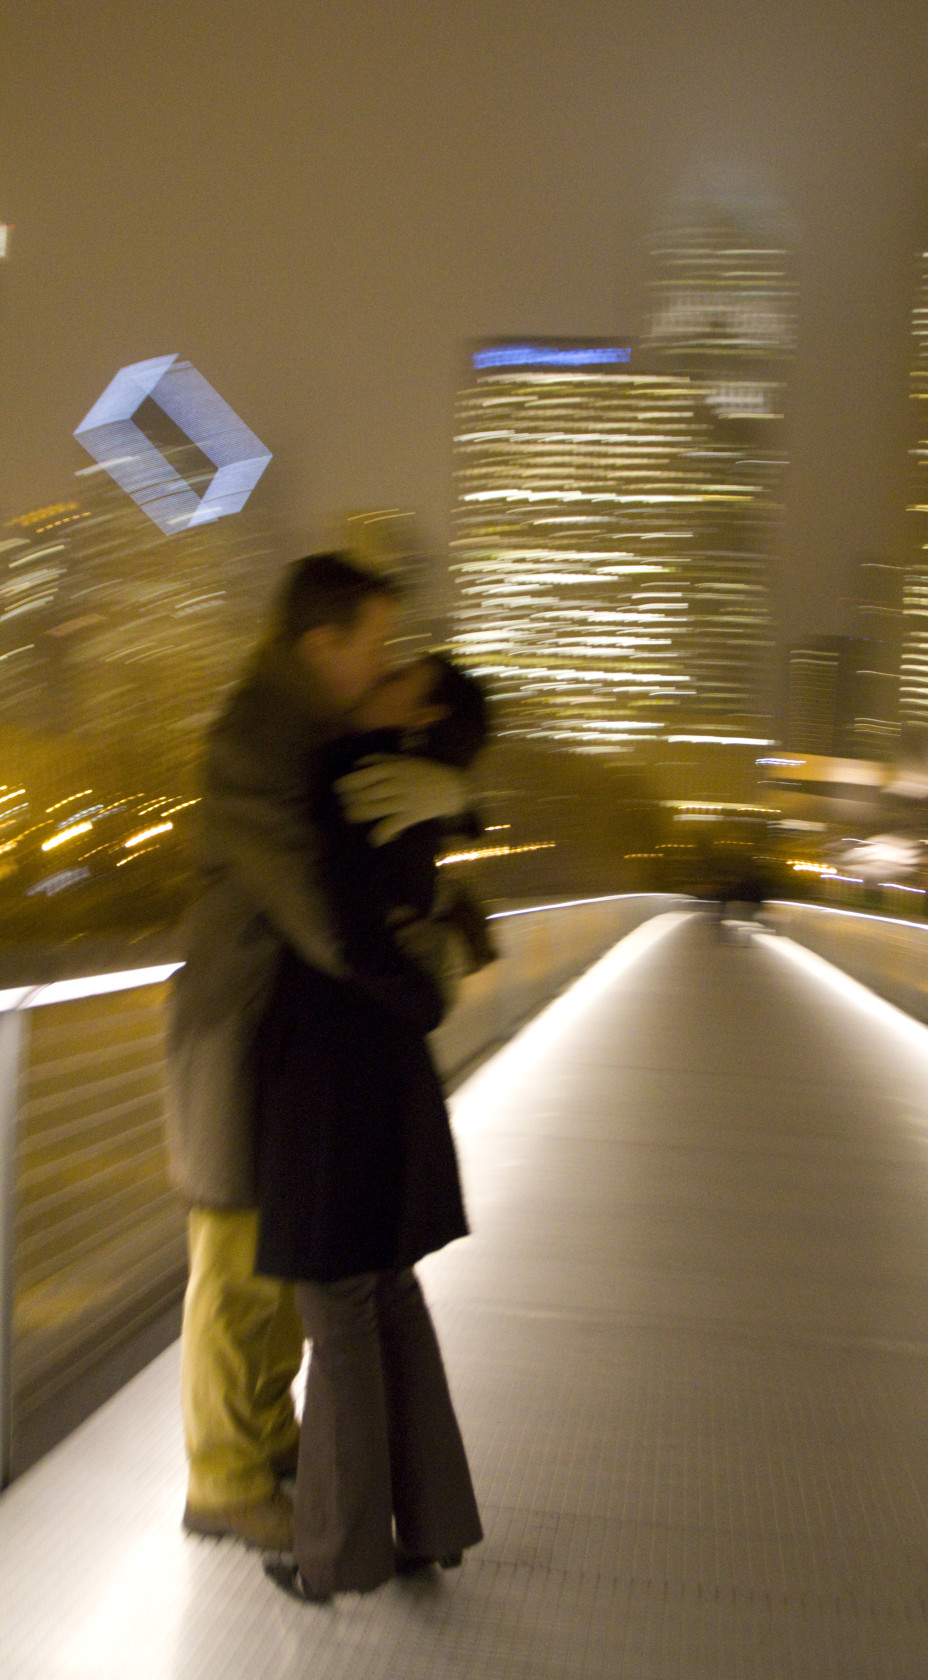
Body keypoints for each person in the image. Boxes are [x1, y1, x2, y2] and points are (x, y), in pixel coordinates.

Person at [166, 554, 470, 1551]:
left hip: (289, 1042)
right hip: (240, 1034)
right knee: (234, 1272)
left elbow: (394, 786)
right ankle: (222, 1478)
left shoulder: (314, 728)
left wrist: (451, 794)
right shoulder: (259, 736)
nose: (385, 660)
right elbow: (322, 904)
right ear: (320, 644)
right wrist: (420, 974)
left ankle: (268, 1438)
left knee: (279, 1263)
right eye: (372, 643)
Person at [253, 655, 491, 1602]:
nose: (380, 673)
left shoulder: (353, 767)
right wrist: (463, 791)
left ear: (427, 708)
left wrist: (418, 991)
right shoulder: (419, 785)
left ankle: (336, 1555)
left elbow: (352, 939)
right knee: (388, 1294)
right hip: (387, 1085)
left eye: (402, 671)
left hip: (334, 1082)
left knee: (338, 1308)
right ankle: (433, 1522)